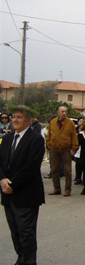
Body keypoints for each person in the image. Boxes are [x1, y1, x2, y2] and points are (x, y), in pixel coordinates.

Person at [0, 105, 45, 265]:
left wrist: (13, 183)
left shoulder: (36, 139)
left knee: (26, 232)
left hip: (26, 194)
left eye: (19, 117)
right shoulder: (7, 138)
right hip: (7, 193)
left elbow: (31, 166)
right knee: (15, 231)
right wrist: (2, 179)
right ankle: (21, 257)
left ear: (28, 120)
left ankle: (29, 261)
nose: (15, 120)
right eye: (13, 117)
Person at [46, 106, 78, 196]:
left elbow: (74, 136)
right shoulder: (52, 122)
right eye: (62, 111)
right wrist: (49, 144)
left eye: (65, 112)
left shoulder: (70, 123)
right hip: (54, 149)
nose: (64, 113)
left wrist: (74, 148)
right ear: (58, 112)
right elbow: (49, 135)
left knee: (67, 170)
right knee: (54, 169)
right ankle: (56, 188)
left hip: (66, 149)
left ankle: (67, 189)